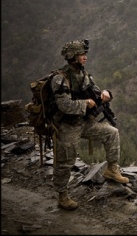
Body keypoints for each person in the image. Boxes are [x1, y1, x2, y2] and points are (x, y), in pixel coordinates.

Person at [51, 39, 129, 210]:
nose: (85, 57)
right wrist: (84, 104)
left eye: (84, 54)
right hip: (67, 125)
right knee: (66, 160)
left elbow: (95, 92)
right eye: (81, 54)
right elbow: (63, 105)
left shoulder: (83, 74)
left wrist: (105, 94)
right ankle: (62, 195)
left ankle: (112, 169)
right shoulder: (60, 79)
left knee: (112, 132)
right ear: (72, 57)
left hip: (85, 122)